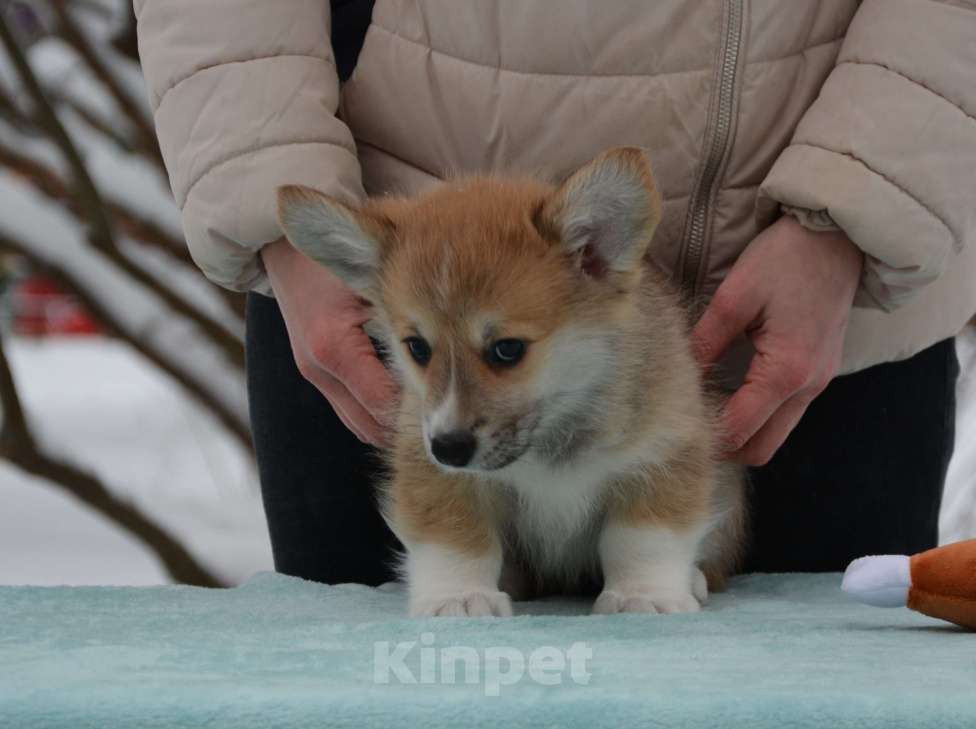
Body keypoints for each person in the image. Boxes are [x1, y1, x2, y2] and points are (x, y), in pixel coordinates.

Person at [135, 0, 974, 584]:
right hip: (375, 252)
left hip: (839, 311)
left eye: (505, 354)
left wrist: (857, 204)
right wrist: (272, 185)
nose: (453, 414)